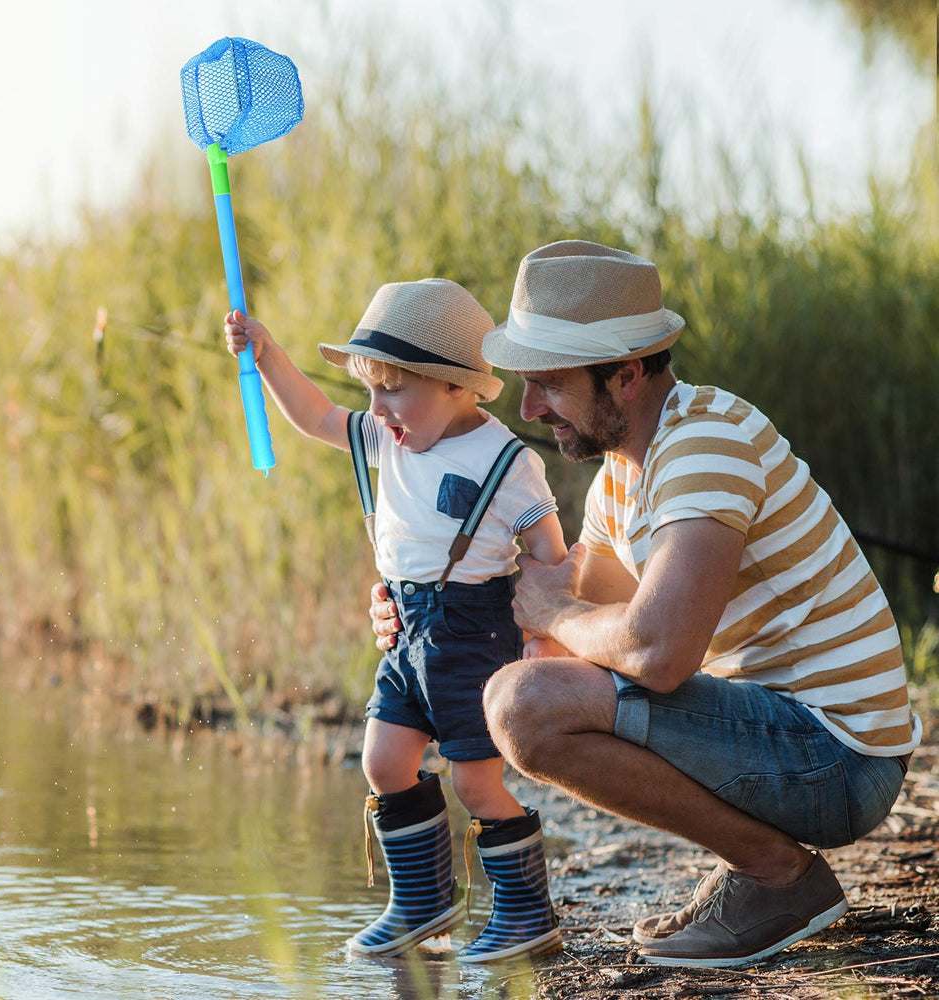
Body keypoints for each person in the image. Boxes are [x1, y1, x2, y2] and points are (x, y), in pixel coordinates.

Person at [370, 241, 921, 968]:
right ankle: (763, 869)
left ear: (626, 374)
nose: (529, 407)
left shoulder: (705, 446)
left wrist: (553, 616)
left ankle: (777, 875)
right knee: (526, 697)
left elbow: (655, 654)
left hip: (841, 759)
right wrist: (423, 611)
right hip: (787, 734)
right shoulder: (620, 482)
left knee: (521, 707)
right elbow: (571, 646)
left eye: (550, 385)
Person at [224, 277, 568, 964]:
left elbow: (550, 560)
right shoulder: (387, 441)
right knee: (383, 761)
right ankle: (423, 902)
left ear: (454, 386)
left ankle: (528, 912)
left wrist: (544, 644)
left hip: (477, 638)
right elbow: (317, 415)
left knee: (475, 781)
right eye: (370, 388)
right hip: (408, 634)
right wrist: (265, 355)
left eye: (391, 387)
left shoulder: (506, 462)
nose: (376, 408)